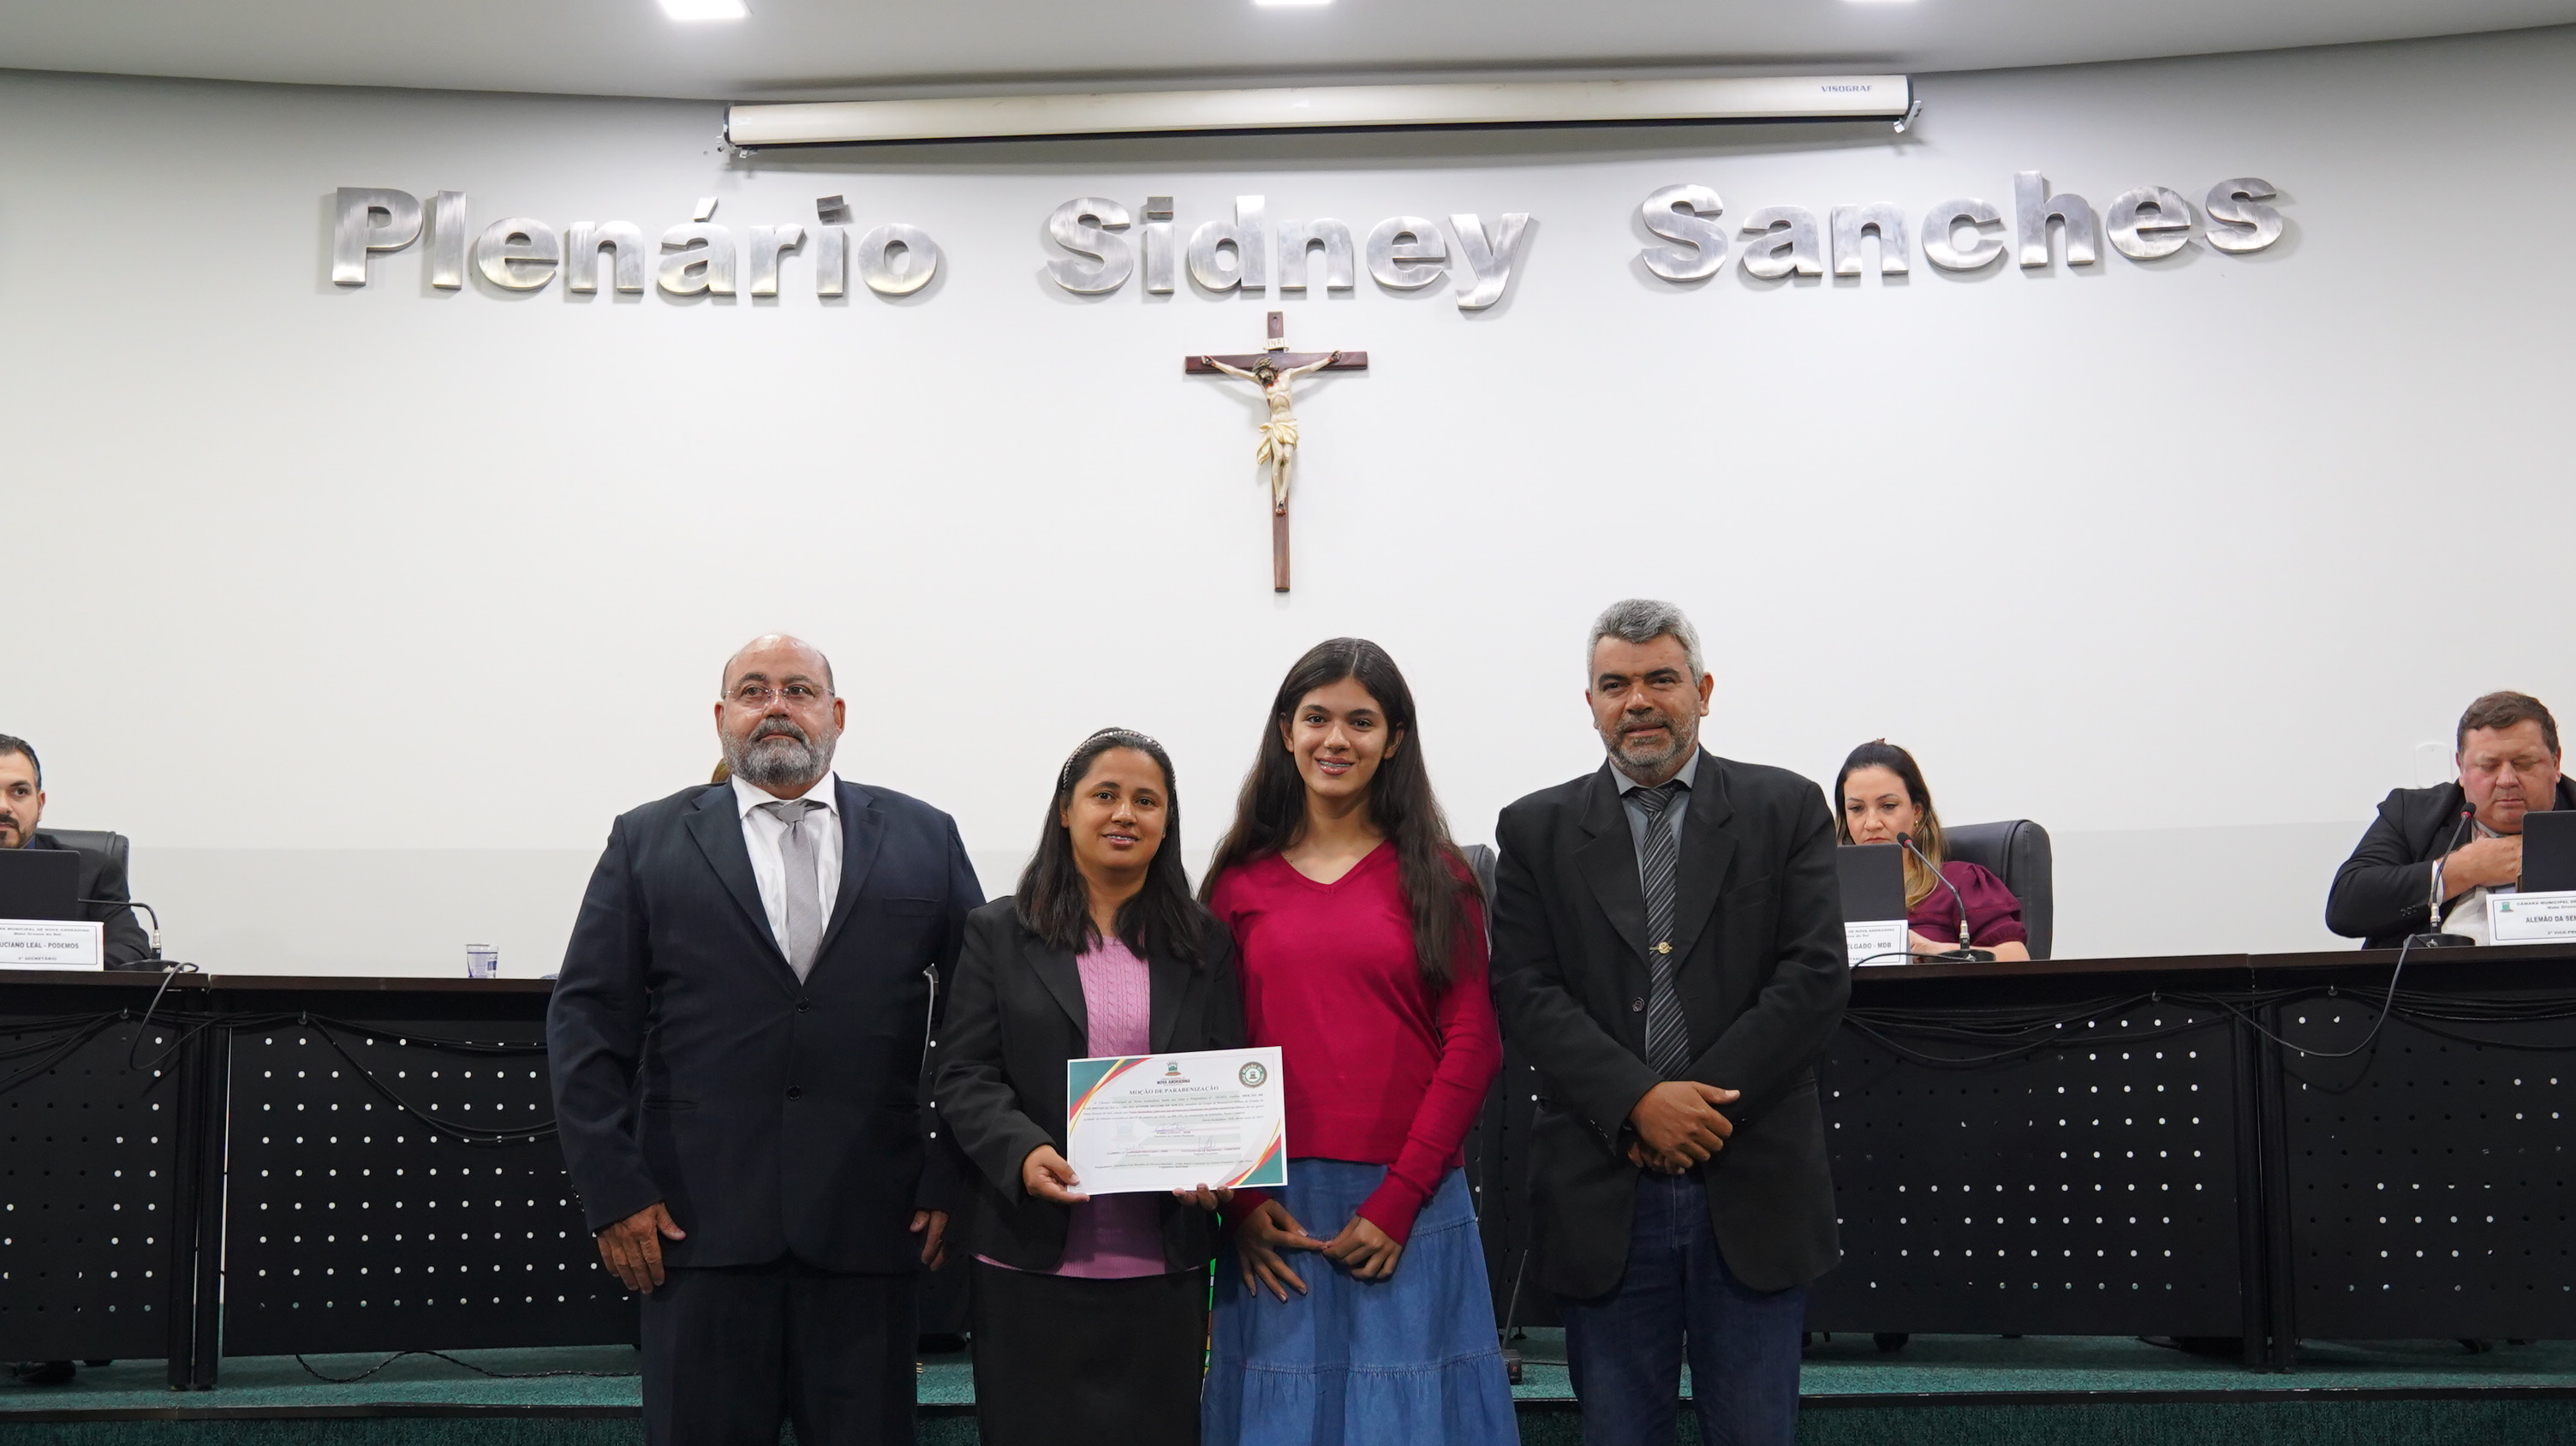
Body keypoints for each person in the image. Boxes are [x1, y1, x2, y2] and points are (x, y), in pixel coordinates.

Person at [547, 634, 982, 1446]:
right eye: (754, 690)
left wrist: (951, 1175)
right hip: (693, 1233)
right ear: (721, 717)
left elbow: (978, 1023)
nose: (776, 706)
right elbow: (585, 1023)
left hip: (871, 1229)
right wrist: (614, 1193)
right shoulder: (646, 841)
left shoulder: (926, 836)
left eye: (798, 689)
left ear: (837, 713)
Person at [1487, 600, 1848, 1446]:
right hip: (1603, 1187)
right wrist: (1638, 1102)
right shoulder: (1533, 829)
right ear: (1589, 702)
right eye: (1615, 684)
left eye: (1660, 678)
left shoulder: (1785, 808)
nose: (1638, 700)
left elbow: (1813, 977)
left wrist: (1697, 1107)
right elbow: (1525, 989)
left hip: (1750, 1181)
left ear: (1702, 689)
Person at [1198, 638, 1515, 1446]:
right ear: (1285, 731)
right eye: (1316, 718)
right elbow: (1202, 1049)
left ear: (1395, 739)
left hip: (1408, 1204)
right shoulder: (1236, 881)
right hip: (1275, 1217)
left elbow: (1473, 1043)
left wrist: (1400, 1200)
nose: (1336, 740)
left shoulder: (1442, 877)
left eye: (1361, 721)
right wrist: (1241, 1204)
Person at [936, 728, 1244, 1446]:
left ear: (1167, 821)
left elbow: (1224, 1075)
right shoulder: (997, 932)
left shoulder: (1205, 943)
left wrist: (1221, 1167)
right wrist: (1020, 1152)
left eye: (1146, 800)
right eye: (1104, 794)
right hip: (1027, 1260)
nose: (1125, 814)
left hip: (1162, 1263)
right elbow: (963, 1073)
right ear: (1066, 810)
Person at [2328, 690, 2571, 947]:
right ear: (2461, 768)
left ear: (2555, 763)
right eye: (2489, 766)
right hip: (2432, 983)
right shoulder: (2410, 814)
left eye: (2524, 763)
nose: (2507, 780)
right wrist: (2464, 869)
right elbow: (2346, 906)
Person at [1832, 740, 2030, 961]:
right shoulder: (1823, 894)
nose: (1871, 823)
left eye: (1888, 806)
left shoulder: (1959, 883)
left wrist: (1931, 949)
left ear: (1917, 810)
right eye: (1856, 809)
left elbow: (2016, 958)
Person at [0, 734, 152, 970]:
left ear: (40, 805)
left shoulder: (93, 872)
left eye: (19, 792)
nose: (3, 806)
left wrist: (54, 959)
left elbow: (131, 950)